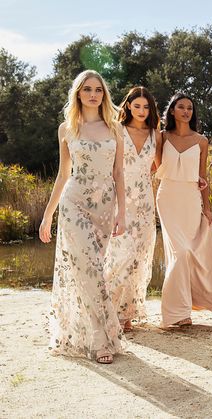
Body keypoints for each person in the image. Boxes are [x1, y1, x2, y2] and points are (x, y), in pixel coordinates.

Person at [39, 69, 126, 363]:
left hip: (104, 206)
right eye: (87, 89)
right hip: (73, 203)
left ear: (104, 94)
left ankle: (94, 333)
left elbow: (118, 173)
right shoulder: (67, 128)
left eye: (98, 90)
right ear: (78, 93)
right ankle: (100, 341)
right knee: (87, 268)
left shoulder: (115, 128)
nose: (93, 94)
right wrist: (47, 216)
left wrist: (122, 213)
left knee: (94, 272)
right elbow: (64, 174)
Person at [155, 91, 212, 328]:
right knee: (180, 253)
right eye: (181, 107)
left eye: (190, 107)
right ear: (172, 111)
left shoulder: (201, 141)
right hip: (167, 196)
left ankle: (186, 307)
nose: (186, 111)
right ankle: (176, 314)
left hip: (191, 198)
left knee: (188, 253)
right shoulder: (162, 137)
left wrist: (207, 208)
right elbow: (156, 167)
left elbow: (203, 177)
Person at [104, 86, 159, 332]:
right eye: (137, 106)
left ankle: (126, 315)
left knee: (139, 257)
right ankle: (109, 310)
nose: (141, 110)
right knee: (119, 255)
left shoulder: (155, 134)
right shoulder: (117, 129)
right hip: (120, 200)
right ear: (127, 106)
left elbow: (159, 166)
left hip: (146, 201)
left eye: (146, 107)